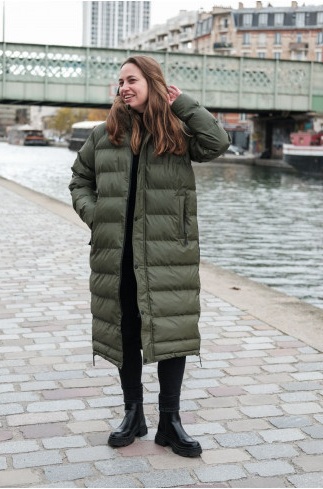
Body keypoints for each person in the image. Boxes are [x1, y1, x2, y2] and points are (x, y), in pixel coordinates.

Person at [69, 55, 230, 458]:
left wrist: (184, 104)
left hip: (166, 253)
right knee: (126, 333)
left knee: (171, 334)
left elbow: (217, 144)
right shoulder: (104, 134)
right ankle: (133, 414)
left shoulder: (176, 128)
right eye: (120, 81)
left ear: (152, 82)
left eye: (132, 79)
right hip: (118, 253)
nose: (124, 87)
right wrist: (98, 217)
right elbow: (79, 180)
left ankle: (170, 423)